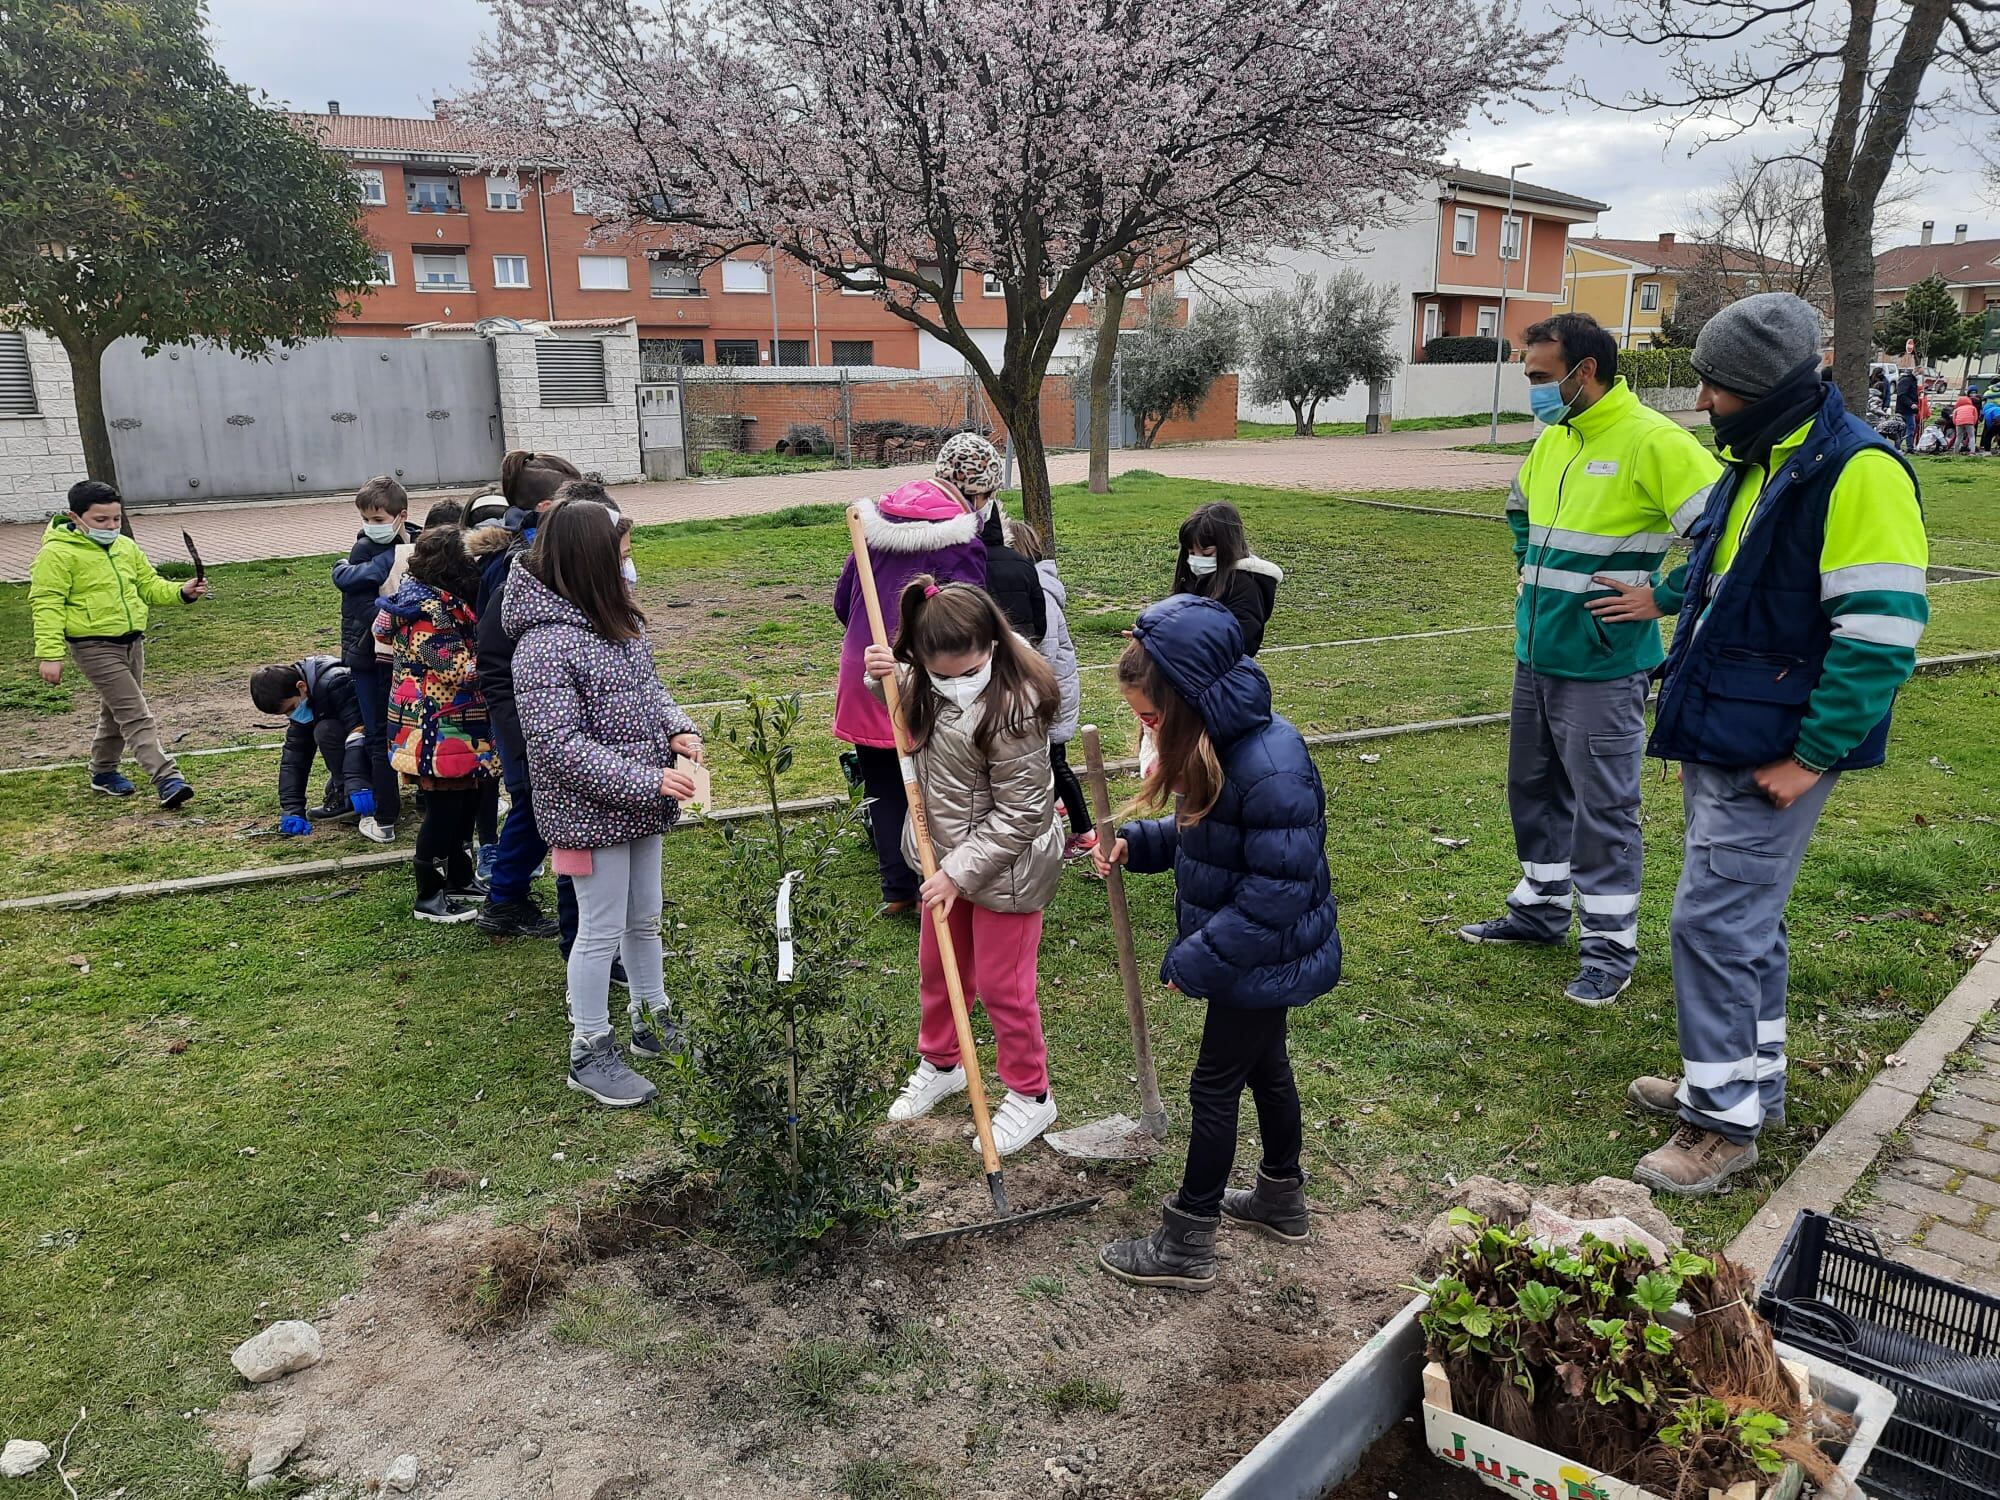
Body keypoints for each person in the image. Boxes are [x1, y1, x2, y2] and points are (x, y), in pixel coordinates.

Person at [1629, 292, 1928, 1195]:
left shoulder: (1857, 472)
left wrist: (1813, 756)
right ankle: (1747, 1085)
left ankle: (1720, 1127)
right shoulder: (1761, 459)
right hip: (1728, 728)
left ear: (1762, 388)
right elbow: (1726, 574)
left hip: (1776, 749)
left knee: (1713, 923)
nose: (1703, 403)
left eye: (1716, 388)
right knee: (1744, 922)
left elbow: (1881, 632)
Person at [1458, 312, 1721, 1007]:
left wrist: (1660, 599)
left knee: (1604, 809)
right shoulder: (1556, 439)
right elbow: (1520, 507)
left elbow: (1727, 533)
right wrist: (1526, 571)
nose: (1533, 391)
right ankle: (1541, 911)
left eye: (1541, 378)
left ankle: (1609, 949)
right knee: (1535, 789)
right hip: (1537, 655)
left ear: (1586, 372)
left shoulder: (1655, 441)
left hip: (1605, 665)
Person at [1093, 596, 1340, 1291]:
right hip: (1261, 952)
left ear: (1190, 700)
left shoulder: (1270, 767)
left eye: (1149, 718)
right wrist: (1136, 842)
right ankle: (1279, 1198)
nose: (1145, 731)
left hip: (1263, 953)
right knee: (1267, 1069)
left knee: (1214, 1086)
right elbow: (1209, 840)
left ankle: (1187, 1239)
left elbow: (1276, 894)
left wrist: (1196, 959)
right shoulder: (1226, 746)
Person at [510, 498, 703, 1108]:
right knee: (598, 930)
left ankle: (652, 1018)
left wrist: (678, 727)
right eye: (621, 556)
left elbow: (651, 691)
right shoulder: (542, 647)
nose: (629, 567)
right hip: (588, 816)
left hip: (641, 802)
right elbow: (556, 745)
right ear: (590, 562)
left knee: (643, 917)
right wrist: (647, 782)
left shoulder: (620, 623)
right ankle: (588, 1048)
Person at [863, 579, 1064, 1155]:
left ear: (993, 646)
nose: (954, 684)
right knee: (939, 971)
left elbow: (1023, 812)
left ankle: (1031, 1095)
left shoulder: (1014, 708)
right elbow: (898, 693)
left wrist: (958, 873)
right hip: (943, 861)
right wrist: (879, 670)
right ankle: (943, 1062)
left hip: (1007, 872)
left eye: (966, 671)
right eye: (940, 674)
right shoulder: (925, 682)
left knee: (1005, 988)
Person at [834, 475, 987, 916]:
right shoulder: (960, 545)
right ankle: (927, 886)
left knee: (882, 783)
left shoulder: (872, 537)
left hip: (871, 664)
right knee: (934, 782)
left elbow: (844, 602)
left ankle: (898, 890)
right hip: (925, 673)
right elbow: (970, 617)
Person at [29, 480, 207, 809]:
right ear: (74, 517)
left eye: (116, 519)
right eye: (101, 520)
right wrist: (50, 655)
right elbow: (47, 604)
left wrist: (182, 591)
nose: (111, 526)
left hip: (132, 641)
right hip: (93, 646)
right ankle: (167, 777)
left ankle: (102, 771)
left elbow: (149, 585)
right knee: (135, 713)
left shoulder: (125, 547)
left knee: (117, 710)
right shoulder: (56, 554)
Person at [474, 453, 584, 942]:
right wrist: (518, 729)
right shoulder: (517, 570)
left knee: (540, 806)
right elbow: (496, 657)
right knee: (535, 807)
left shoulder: (543, 556)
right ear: (546, 508)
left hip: (541, 712)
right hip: (525, 716)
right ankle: (506, 901)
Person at [374, 524, 497, 922]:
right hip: (435, 727)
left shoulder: (446, 602)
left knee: (466, 802)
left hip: (457, 725)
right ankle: (429, 895)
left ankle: (460, 878)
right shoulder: (427, 612)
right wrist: (506, 657)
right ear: (453, 566)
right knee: (443, 810)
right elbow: (456, 669)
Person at [331, 476, 419, 844]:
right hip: (369, 657)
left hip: (412, 657)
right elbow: (361, 605)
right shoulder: (365, 551)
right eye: (367, 518)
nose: (371, 526)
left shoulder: (418, 543)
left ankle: (429, 795)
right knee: (379, 735)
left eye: (379, 519)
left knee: (417, 730)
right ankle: (385, 814)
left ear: (401, 516)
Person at [1006, 518, 1094, 859]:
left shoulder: (1039, 592)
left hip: (1052, 690)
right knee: (1050, 757)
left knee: (1056, 759)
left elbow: (1047, 648)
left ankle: (1086, 832)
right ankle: (1056, 805)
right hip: (1053, 687)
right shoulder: (1037, 585)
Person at [249, 657, 371, 834]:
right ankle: (345, 791)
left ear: (301, 687)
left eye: (291, 708)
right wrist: (292, 808)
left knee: (326, 731)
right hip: (356, 745)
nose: (292, 715)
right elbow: (294, 757)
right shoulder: (305, 698)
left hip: (380, 741)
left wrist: (357, 780)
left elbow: (360, 730)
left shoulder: (337, 682)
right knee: (324, 733)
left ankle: (365, 791)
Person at [1895, 367, 1920, 453]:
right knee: (1910, 427)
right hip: (1906, 409)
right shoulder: (1907, 381)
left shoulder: (1911, 380)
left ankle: (1898, 447)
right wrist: (1911, 404)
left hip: (1908, 408)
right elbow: (1902, 395)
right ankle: (1909, 447)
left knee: (1905, 428)